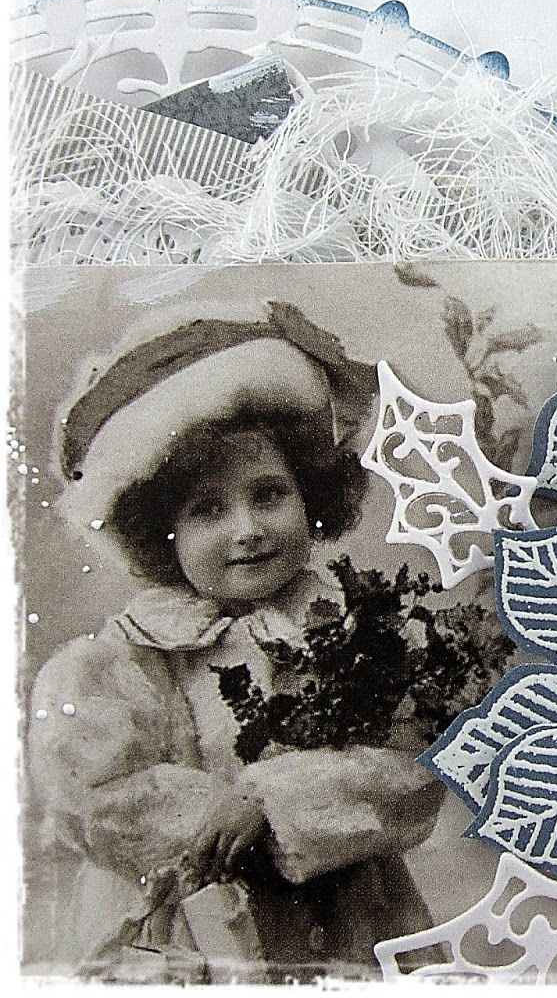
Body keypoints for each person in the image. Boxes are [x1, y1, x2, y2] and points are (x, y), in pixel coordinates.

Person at [27, 303, 444, 982]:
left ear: (312, 495)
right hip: (195, 936)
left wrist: (275, 803)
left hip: (355, 927)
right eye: (208, 510)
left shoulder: (357, 629)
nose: (246, 529)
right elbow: (91, 801)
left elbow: (416, 768)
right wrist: (211, 816)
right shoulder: (122, 661)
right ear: (160, 530)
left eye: (268, 494)